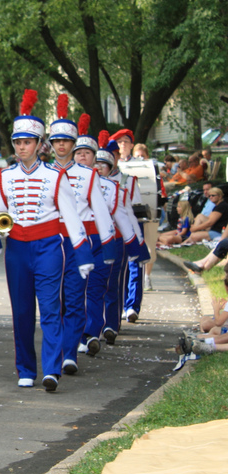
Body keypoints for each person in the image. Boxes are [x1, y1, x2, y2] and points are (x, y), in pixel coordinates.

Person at [0, 89, 94, 392]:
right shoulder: (4, 176)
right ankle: (25, 368)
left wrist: (83, 255)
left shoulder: (55, 176)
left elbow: (72, 217)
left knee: (49, 308)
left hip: (49, 246)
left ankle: (51, 368)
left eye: (27, 142)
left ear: (38, 144)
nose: (22, 148)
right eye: (18, 143)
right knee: (21, 312)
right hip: (17, 249)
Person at [49, 107, 118, 376]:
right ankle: (57, 352)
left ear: (73, 143)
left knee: (76, 299)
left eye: (66, 141)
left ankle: (68, 354)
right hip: (50, 243)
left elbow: (101, 213)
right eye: (57, 141)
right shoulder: (43, 172)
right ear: (51, 144)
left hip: (78, 244)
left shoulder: (89, 175)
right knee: (54, 302)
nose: (62, 145)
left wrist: (108, 248)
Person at [90, 133, 147, 346]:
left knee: (113, 283)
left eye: (103, 164)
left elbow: (134, 213)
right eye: (96, 164)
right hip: (93, 239)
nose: (99, 168)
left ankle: (111, 325)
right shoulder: (85, 182)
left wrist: (136, 242)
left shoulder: (126, 181)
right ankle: (92, 326)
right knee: (93, 285)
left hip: (117, 238)